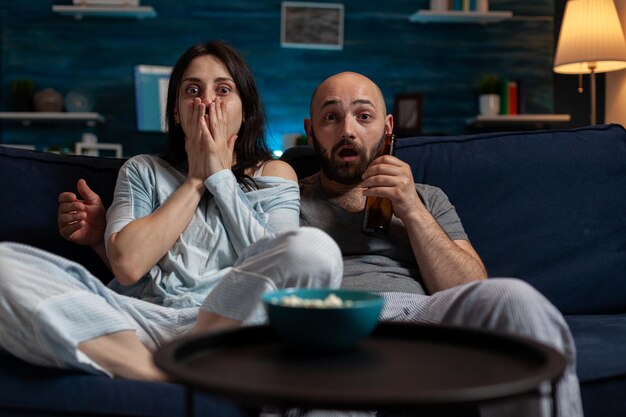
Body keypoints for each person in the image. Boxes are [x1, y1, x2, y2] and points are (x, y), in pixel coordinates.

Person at [56, 72, 582, 416]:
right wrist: (106, 242)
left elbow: (470, 289)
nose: (347, 129)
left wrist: (412, 211)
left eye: (363, 115)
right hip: (319, 320)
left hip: (421, 315)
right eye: (331, 117)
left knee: (516, 298)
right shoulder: (275, 194)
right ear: (312, 131)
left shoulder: (426, 197)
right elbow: (207, 271)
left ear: (388, 128)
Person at [0, 41, 343, 382]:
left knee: (315, 249)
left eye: (223, 89)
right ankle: (158, 374)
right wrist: (195, 180)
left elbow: (278, 268)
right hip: (140, 322)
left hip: (226, 321)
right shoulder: (142, 170)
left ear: (245, 109)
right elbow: (128, 266)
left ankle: (175, 363)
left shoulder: (273, 173)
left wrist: (220, 177)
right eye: (192, 90)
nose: (207, 101)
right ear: (177, 111)